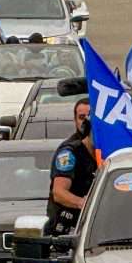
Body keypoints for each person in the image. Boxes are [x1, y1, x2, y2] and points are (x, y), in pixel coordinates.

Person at [46, 98, 97, 236]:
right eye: (81, 117)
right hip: (65, 230)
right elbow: (59, 193)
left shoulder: (107, 153)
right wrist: (85, 203)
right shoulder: (69, 153)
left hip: (93, 229)